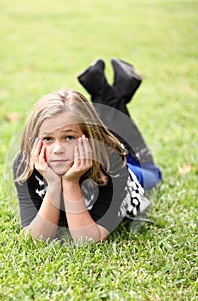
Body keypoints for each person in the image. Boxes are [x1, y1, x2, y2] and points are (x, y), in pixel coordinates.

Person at [13, 58, 162, 243]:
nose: (58, 149)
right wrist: (53, 186)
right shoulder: (26, 163)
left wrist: (70, 182)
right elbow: (36, 238)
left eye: (69, 137)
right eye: (48, 138)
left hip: (124, 168)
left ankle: (109, 93)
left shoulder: (112, 162)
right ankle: (111, 92)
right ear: (35, 140)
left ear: (90, 139)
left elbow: (89, 239)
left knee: (152, 173)